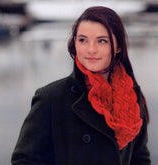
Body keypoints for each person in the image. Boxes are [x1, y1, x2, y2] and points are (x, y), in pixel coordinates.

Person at [11, 6, 151, 165]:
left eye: (102, 41)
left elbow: (140, 159)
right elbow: (24, 161)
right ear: (75, 44)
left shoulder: (132, 98)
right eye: (83, 40)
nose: (91, 49)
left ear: (118, 46)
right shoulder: (51, 98)